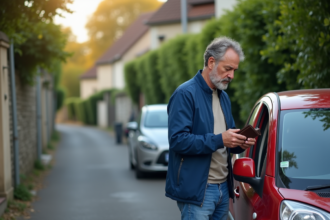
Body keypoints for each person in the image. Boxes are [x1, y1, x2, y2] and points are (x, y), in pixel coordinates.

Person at [165, 37, 256, 220]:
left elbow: (226, 141)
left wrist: (240, 142)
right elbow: (178, 140)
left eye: (234, 70)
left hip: (223, 188)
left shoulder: (223, 97)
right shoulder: (185, 94)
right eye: (227, 69)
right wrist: (220, 139)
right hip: (198, 192)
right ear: (211, 62)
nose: (231, 76)